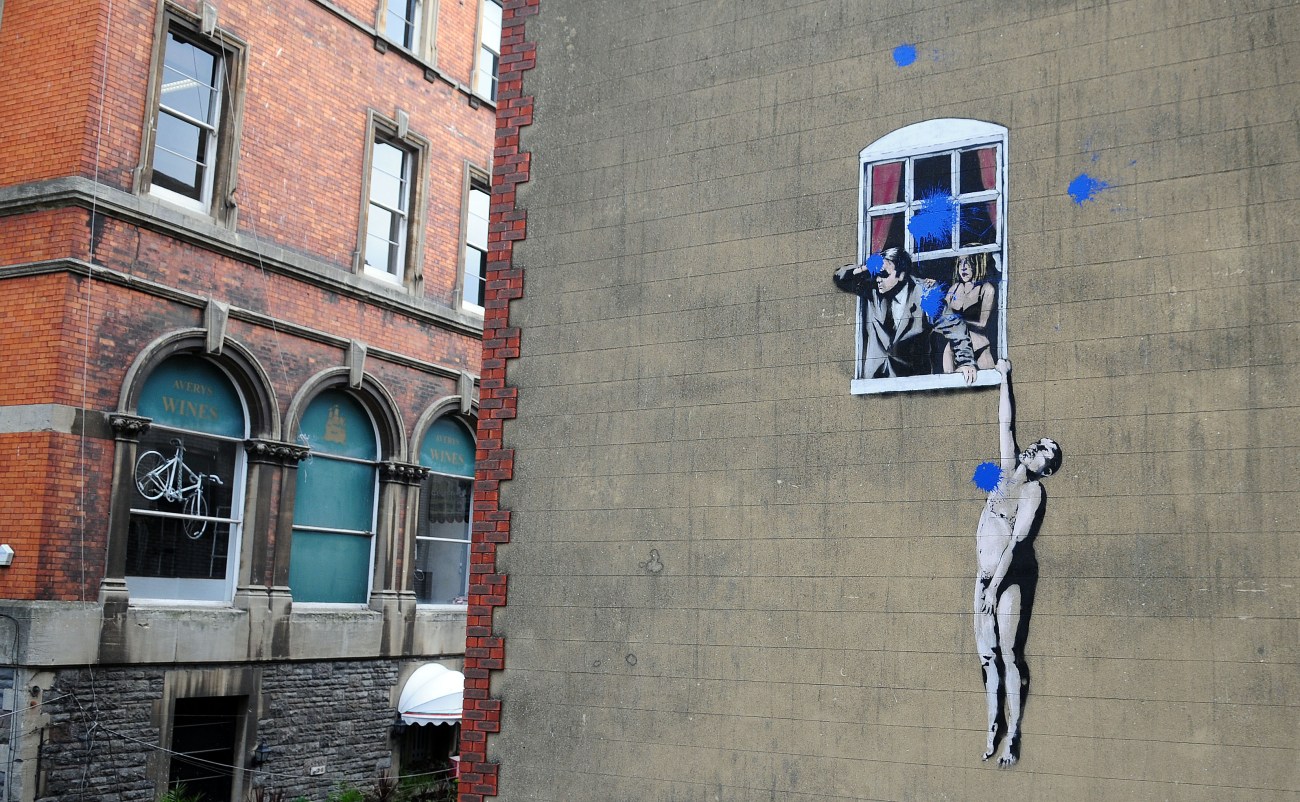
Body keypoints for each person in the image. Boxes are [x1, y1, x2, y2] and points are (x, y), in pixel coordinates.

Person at [974, 359, 1061, 767]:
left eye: (1044, 451)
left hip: (1007, 582)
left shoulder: (1033, 494)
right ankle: (994, 723)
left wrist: (994, 588)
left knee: (1008, 653)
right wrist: (1004, 377)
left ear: (1047, 469)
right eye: (1038, 443)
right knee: (986, 655)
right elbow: (1005, 423)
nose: (1036, 448)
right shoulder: (1007, 470)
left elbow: (1015, 543)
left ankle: (1014, 734)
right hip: (983, 578)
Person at [833, 247, 977, 383]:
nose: (878, 279)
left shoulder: (924, 294)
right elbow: (840, 278)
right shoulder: (873, 289)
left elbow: (955, 327)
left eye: (884, 274)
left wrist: (965, 362)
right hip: (875, 382)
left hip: (912, 383)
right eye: (877, 274)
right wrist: (866, 267)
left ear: (901, 274)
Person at [943, 252, 997, 372]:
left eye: (968, 263)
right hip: (954, 348)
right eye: (960, 263)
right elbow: (942, 317)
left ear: (977, 264)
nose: (963, 267)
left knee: (986, 381)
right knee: (950, 380)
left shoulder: (986, 288)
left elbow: (983, 323)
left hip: (979, 346)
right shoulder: (954, 289)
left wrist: (957, 321)